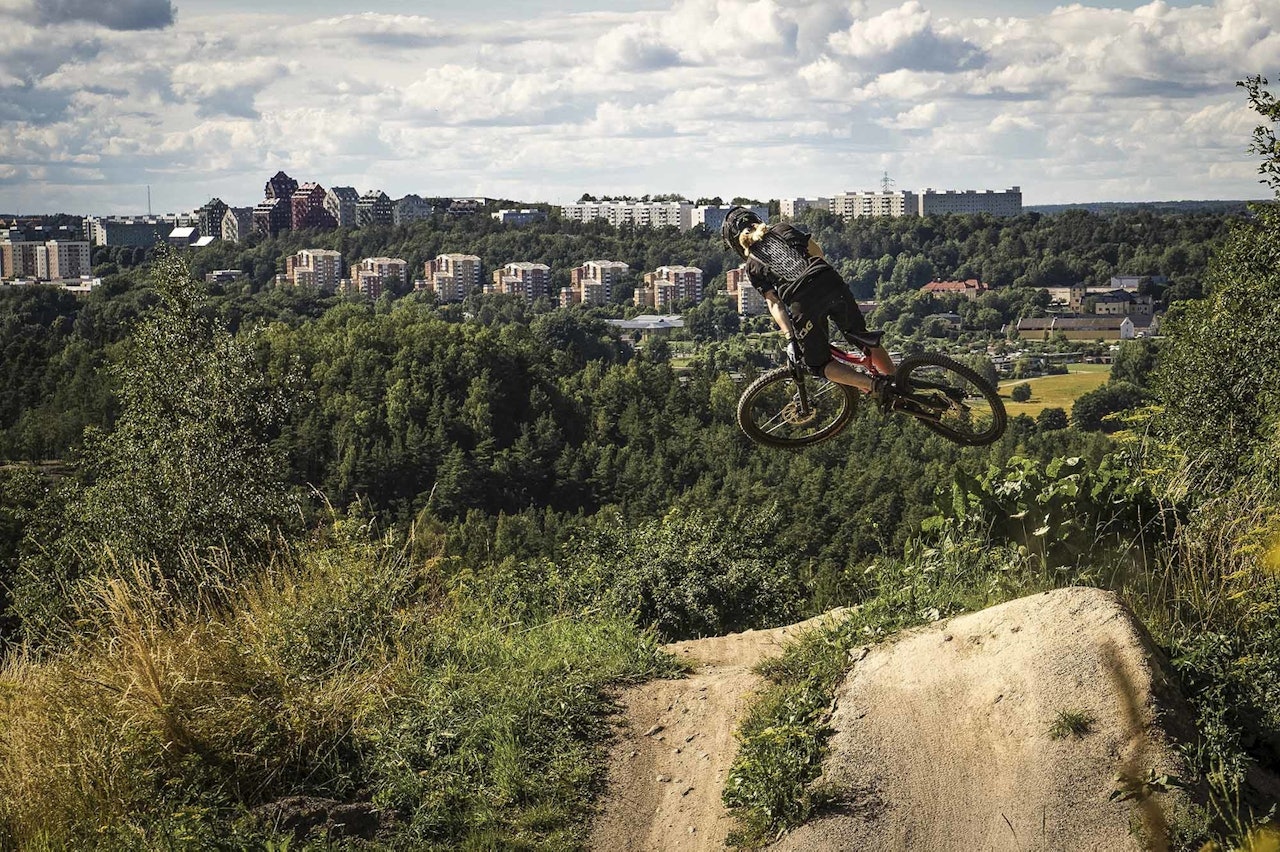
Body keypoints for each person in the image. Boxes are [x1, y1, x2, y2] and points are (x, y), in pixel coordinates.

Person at [721, 206, 895, 399]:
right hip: (830, 280)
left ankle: (874, 386)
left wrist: (790, 337)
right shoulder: (782, 228)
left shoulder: (752, 266)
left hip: (804, 300)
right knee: (861, 337)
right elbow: (818, 253)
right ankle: (897, 385)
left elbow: (775, 304)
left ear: (736, 243)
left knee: (817, 364)